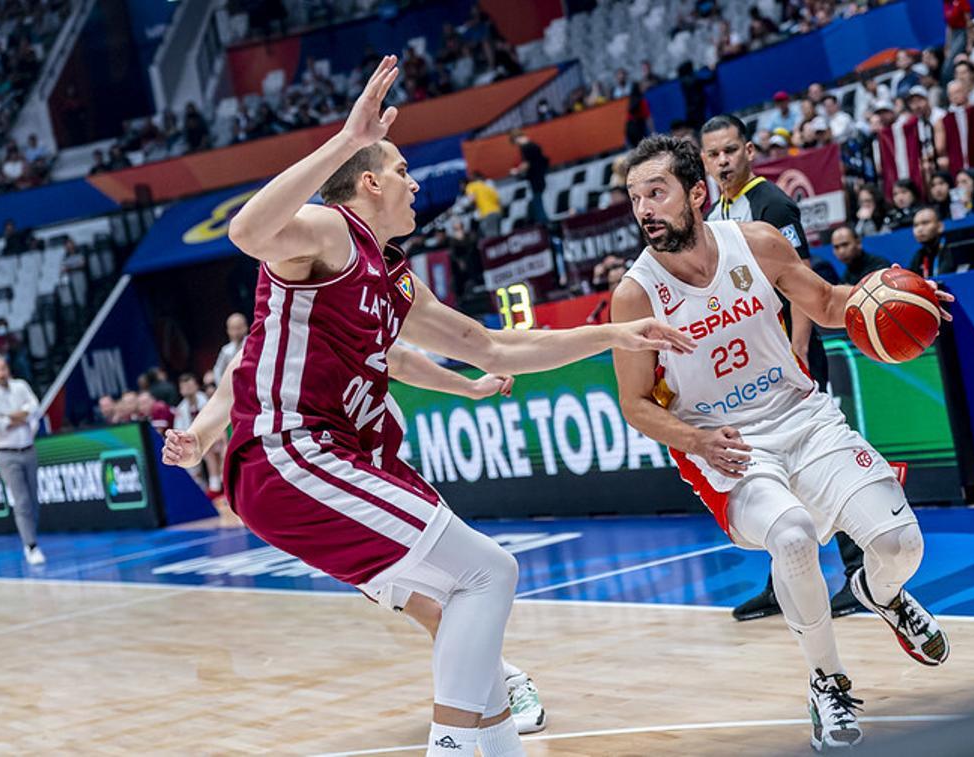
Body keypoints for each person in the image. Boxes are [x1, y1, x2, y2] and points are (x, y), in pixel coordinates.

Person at [219, 56, 692, 757]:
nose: (416, 183)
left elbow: (490, 347)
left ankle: (487, 738)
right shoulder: (328, 229)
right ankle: (450, 744)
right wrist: (348, 139)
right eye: (403, 169)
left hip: (324, 460)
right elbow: (246, 234)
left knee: (468, 591)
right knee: (489, 570)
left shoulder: (394, 277)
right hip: (290, 454)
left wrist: (612, 334)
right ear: (371, 182)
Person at [611, 135, 953, 751]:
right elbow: (635, 404)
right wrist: (697, 440)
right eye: (635, 198)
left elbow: (824, 303)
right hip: (726, 443)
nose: (644, 209)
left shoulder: (758, 242)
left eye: (656, 192)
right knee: (792, 537)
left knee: (901, 543)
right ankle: (828, 682)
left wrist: (906, 294)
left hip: (803, 414)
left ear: (697, 193)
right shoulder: (635, 293)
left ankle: (880, 593)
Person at [164, 343, 549, 733]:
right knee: (433, 610)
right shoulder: (261, 346)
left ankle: (496, 695)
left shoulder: (337, 312)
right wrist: (194, 441)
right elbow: (216, 414)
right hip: (333, 500)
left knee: (464, 590)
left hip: (382, 474)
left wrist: (470, 387)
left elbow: (398, 359)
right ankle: (489, 699)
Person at [699, 114, 866, 621]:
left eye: (730, 151)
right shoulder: (720, 209)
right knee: (774, 472)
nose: (723, 161)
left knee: (819, 467)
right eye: (713, 155)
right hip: (759, 361)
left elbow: (800, 286)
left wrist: (797, 353)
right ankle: (781, 582)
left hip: (793, 357)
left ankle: (858, 576)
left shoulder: (772, 204)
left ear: (749, 150)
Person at [0, 357, 45, 565]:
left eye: (4, 368)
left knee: (33, 499)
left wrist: (9, 417)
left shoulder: (21, 386)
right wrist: (20, 416)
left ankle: (31, 537)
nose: (1, 373)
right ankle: (31, 545)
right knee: (22, 500)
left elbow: (35, 408)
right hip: (6, 453)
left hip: (28, 448)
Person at [509, 129, 550, 225]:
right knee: (538, 200)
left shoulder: (526, 148)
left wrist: (517, 171)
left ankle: (543, 222)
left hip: (535, 178)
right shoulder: (535, 145)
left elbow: (526, 164)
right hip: (540, 176)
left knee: (538, 202)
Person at [908, 206, 958, 277]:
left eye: (925, 223)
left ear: (940, 226)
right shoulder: (919, 256)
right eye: (916, 225)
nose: (919, 229)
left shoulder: (953, 249)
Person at [213, 313, 249, 385]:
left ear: (246, 327)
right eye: (232, 329)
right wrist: (222, 386)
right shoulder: (226, 350)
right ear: (228, 331)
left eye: (238, 328)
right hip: (233, 386)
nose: (236, 332)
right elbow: (217, 370)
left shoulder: (253, 344)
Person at [464, 172, 502, 239]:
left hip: (487, 213)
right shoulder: (488, 185)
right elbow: (498, 199)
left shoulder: (471, 186)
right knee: (498, 236)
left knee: (491, 238)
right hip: (497, 212)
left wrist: (466, 207)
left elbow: (471, 200)